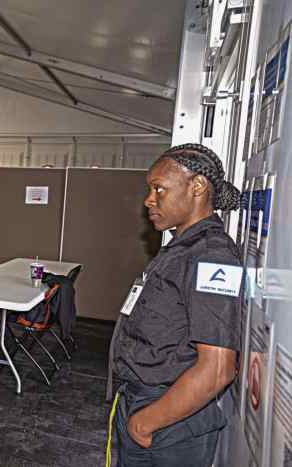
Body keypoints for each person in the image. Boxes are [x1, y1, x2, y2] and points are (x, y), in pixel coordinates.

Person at [110, 143, 244, 466]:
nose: (149, 199)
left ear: (197, 187)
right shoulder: (182, 247)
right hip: (143, 405)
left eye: (159, 189)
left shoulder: (212, 256)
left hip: (168, 425)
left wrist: (146, 422)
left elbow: (216, 369)